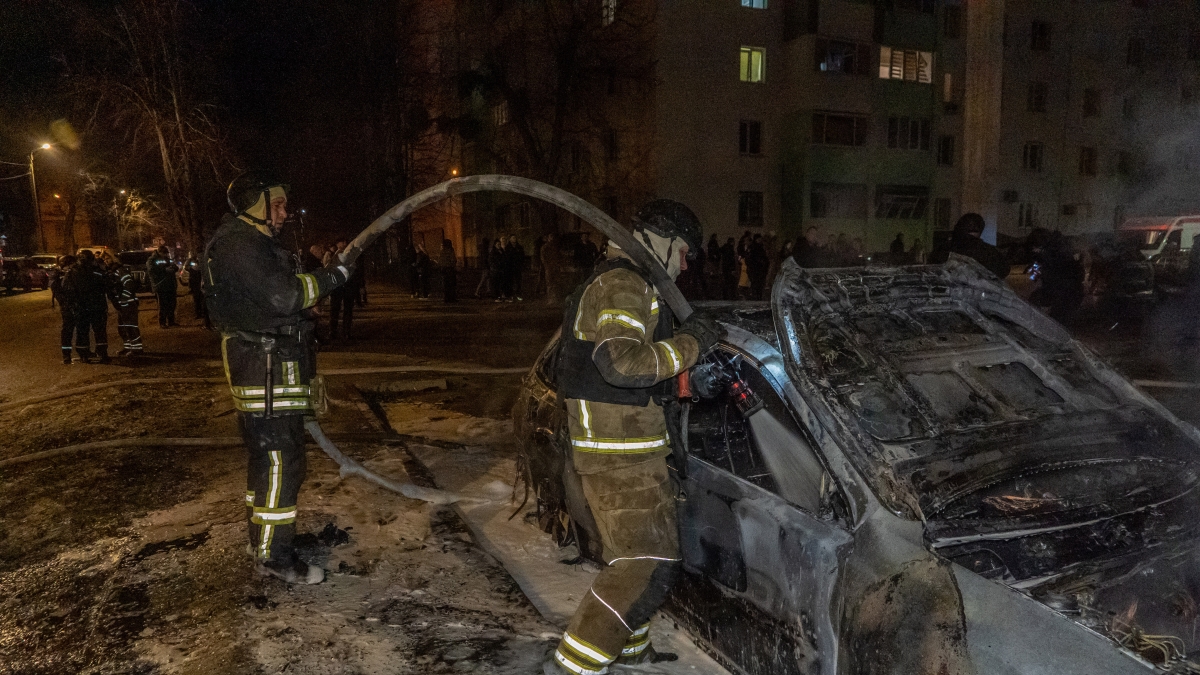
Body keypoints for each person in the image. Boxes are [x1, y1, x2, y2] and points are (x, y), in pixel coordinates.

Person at [545, 199, 719, 675]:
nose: (685, 266)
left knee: (633, 559)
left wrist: (683, 372)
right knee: (646, 563)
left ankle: (630, 649)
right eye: (683, 252)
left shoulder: (628, 282)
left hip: (626, 448)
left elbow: (631, 369)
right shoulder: (624, 283)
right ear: (661, 241)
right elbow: (621, 364)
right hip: (619, 455)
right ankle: (574, 667)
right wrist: (693, 344)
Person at [203, 170, 355, 585]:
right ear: (254, 206)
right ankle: (274, 556)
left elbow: (268, 301)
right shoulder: (240, 244)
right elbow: (283, 295)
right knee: (281, 461)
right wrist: (333, 276)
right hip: (266, 368)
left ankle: (265, 539)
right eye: (277, 205)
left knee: (268, 460)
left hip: (268, 364)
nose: (285, 213)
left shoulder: (246, 243)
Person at [928, 213, 1009, 278]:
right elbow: (1003, 271)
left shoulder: (942, 249)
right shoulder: (989, 252)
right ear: (980, 231)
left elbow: (931, 271)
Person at [69, 250, 111, 364]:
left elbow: (67, 289)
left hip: (81, 306)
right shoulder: (97, 271)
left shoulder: (73, 272)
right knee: (99, 331)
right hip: (97, 305)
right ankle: (102, 354)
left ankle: (84, 355)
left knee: (82, 331)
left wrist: (72, 303)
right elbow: (106, 285)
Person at [103, 252, 143, 356]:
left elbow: (129, 284)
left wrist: (124, 298)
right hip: (122, 304)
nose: (106, 261)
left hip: (128, 303)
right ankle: (128, 347)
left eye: (108, 258)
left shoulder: (120, 270)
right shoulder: (112, 271)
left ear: (114, 259)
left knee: (130, 326)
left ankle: (137, 349)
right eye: (104, 259)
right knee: (123, 327)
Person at [329, 240, 356, 339]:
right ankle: (333, 331)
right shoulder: (333, 256)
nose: (344, 244)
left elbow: (355, 271)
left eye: (345, 242)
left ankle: (346, 332)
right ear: (337, 244)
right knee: (335, 310)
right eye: (342, 242)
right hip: (338, 287)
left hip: (347, 286)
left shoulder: (350, 256)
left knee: (347, 310)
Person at [54, 255, 78, 364]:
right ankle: (66, 354)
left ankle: (76, 352)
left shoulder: (70, 273)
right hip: (69, 306)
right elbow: (56, 290)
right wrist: (64, 302)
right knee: (68, 330)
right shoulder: (61, 275)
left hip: (71, 305)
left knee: (72, 330)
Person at [147, 245, 178, 327]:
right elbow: (151, 270)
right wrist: (164, 270)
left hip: (170, 285)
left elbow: (175, 267)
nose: (165, 255)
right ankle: (162, 322)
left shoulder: (167, 259)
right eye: (164, 253)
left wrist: (173, 268)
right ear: (159, 252)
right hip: (160, 285)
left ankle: (171, 321)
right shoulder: (152, 260)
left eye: (166, 253)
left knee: (172, 304)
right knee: (163, 305)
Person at [746, 233, 770, 300]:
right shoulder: (754, 248)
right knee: (756, 284)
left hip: (759, 270)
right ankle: (756, 296)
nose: (760, 240)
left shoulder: (760, 247)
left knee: (759, 285)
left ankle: (757, 296)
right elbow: (751, 259)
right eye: (759, 239)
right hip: (755, 269)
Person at [439, 238, 458, 303]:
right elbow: (453, 260)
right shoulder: (450, 250)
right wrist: (453, 265)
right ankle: (452, 298)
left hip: (443, 269)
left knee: (445, 284)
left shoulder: (442, 251)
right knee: (452, 284)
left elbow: (440, 261)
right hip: (450, 269)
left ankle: (446, 298)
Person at [508, 235, 526, 301]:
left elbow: (522, 256)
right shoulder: (508, 248)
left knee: (518, 281)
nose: (514, 239)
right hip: (510, 267)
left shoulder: (519, 247)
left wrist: (521, 264)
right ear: (510, 239)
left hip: (518, 267)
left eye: (515, 238)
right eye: (513, 238)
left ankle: (518, 294)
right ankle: (511, 295)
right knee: (511, 281)